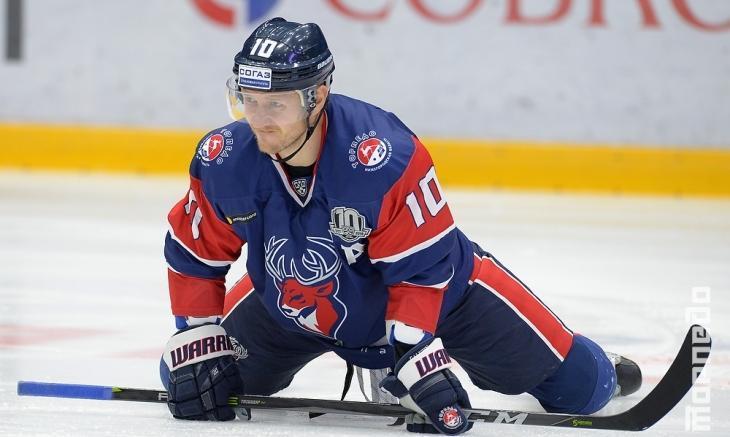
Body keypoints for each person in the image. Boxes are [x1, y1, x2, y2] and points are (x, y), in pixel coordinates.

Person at [159, 17, 642, 435]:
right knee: (194, 378)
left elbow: (422, 269)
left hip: (448, 298)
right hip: (294, 298)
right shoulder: (223, 158)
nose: (259, 121)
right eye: (248, 101)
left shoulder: (382, 156)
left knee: (581, 390)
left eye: (275, 105)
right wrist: (196, 333)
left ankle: (604, 368)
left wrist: (414, 352)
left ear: (317, 96)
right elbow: (195, 251)